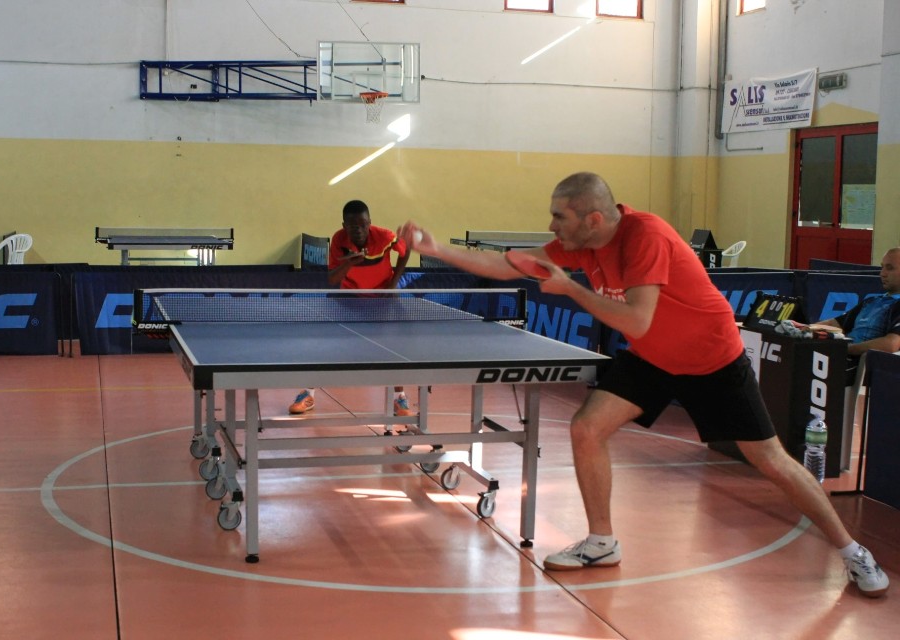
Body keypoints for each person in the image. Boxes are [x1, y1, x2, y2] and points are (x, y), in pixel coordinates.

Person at [399, 172, 890, 598]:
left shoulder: (643, 236)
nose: (551, 226)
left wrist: (570, 288)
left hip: (712, 358)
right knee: (587, 428)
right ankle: (602, 542)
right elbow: (510, 264)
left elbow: (635, 319)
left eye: (559, 216)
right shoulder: (582, 244)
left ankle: (852, 550)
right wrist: (435, 248)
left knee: (771, 461)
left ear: (592, 219)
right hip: (656, 356)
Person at [289, 199, 414, 417]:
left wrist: (393, 284)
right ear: (344, 225)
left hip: (380, 299)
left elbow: (405, 250)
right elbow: (331, 278)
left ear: (370, 223)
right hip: (347, 298)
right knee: (323, 347)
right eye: (353, 225)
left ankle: (399, 398)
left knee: (391, 349)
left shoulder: (384, 237)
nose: (359, 229)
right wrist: (349, 263)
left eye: (363, 224)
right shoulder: (339, 240)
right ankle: (308, 394)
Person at [814, 247, 900, 362]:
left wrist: (846, 349)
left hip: (864, 368)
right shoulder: (871, 301)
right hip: (842, 359)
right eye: (882, 267)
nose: (882, 273)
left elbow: (891, 344)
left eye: (890, 268)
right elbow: (835, 324)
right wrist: (806, 329)